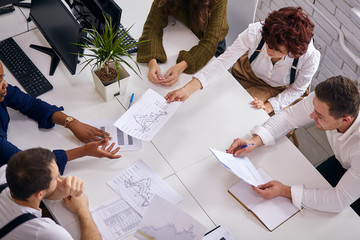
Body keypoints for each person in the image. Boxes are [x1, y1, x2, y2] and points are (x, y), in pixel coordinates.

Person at [226, 76, 360, 215]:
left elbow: (337, 201)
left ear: (345, 120)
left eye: (319, 116)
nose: (312, 115)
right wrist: (255, 140)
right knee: (306, 200)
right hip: (343, 160)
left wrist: (285, 191)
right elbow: (289, 118)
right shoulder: (324, 100)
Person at [166, 7, 320, 114]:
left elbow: (297, 90)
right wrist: (187, 89)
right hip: (248, 74)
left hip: (284, 89)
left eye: (277, 50)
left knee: (256, 120)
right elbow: (222, 63)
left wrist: (270, 105)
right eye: (268, 43)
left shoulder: (310, 58)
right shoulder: (255, 32)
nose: (269, 51)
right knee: (218, 103)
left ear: (293, 50)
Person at [0, 61, 121, 174]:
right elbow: (28, 164)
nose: (5, 84)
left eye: (3, 77)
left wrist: (71, 122)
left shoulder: (3, 90)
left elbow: (30, 104)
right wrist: (84, 151)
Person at [0, 148, 101, 240]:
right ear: (39, 194)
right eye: (56, 177)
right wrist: (83, 210)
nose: (60, 179)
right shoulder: (42, 231)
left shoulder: (7, 171)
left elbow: (46, 193)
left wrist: (63, 188)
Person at [137, 0, 229, 86]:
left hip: (214, 45)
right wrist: (152, 61)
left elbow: (210, 42)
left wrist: (182, 66)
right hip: (187, 32)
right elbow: (152, 25)